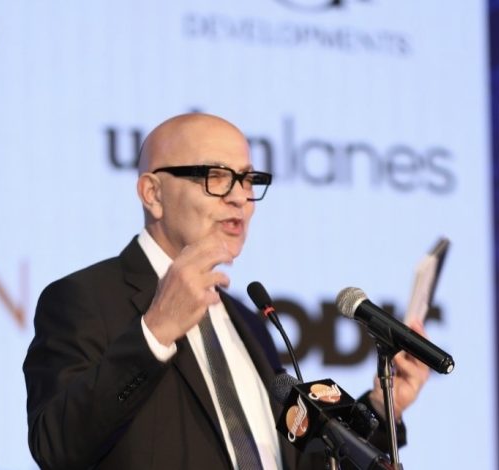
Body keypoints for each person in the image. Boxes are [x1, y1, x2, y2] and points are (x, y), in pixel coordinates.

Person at [22, 112, 430, 469]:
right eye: (216, 177)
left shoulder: (247, 321)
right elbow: (57, 447)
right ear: (153, 193)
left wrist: (383, 408)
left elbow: (294, 461)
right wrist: (154, 333)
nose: (239, 197)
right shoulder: (84, 299)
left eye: (248, 179)